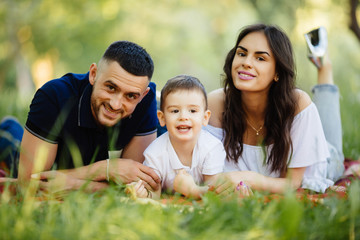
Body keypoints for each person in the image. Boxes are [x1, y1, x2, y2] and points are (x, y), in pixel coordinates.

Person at [205, 24, 344, 194]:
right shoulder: (216, 103)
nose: (246, 63)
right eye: (241, 54)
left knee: (333, 148)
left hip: (324, 163)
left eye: (260, 58)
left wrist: (249, 178)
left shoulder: (297, 103)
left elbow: (293, 183)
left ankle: (323, 64)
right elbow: (210, 171)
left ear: (277, 72)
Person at [18, 41, 161, 193]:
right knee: (11, 145)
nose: (116, 104)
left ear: (142, 96)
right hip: (42, 144)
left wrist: (74, 184)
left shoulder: (146, 100)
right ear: (93, 74)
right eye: (111, 88)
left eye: (131, 96)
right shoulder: (54, 97)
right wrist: (105, 169)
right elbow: (30, 184)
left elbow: (135, 187)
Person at [130, 75, 226, 199]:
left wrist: (193, 190)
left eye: (192, 111)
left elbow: (215, 192)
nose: (183, 117)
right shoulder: (154, 153)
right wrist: (144, 193)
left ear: (205, 117)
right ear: (162, 118)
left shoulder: (212, 147)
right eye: (175, 111)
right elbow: (154, 193)